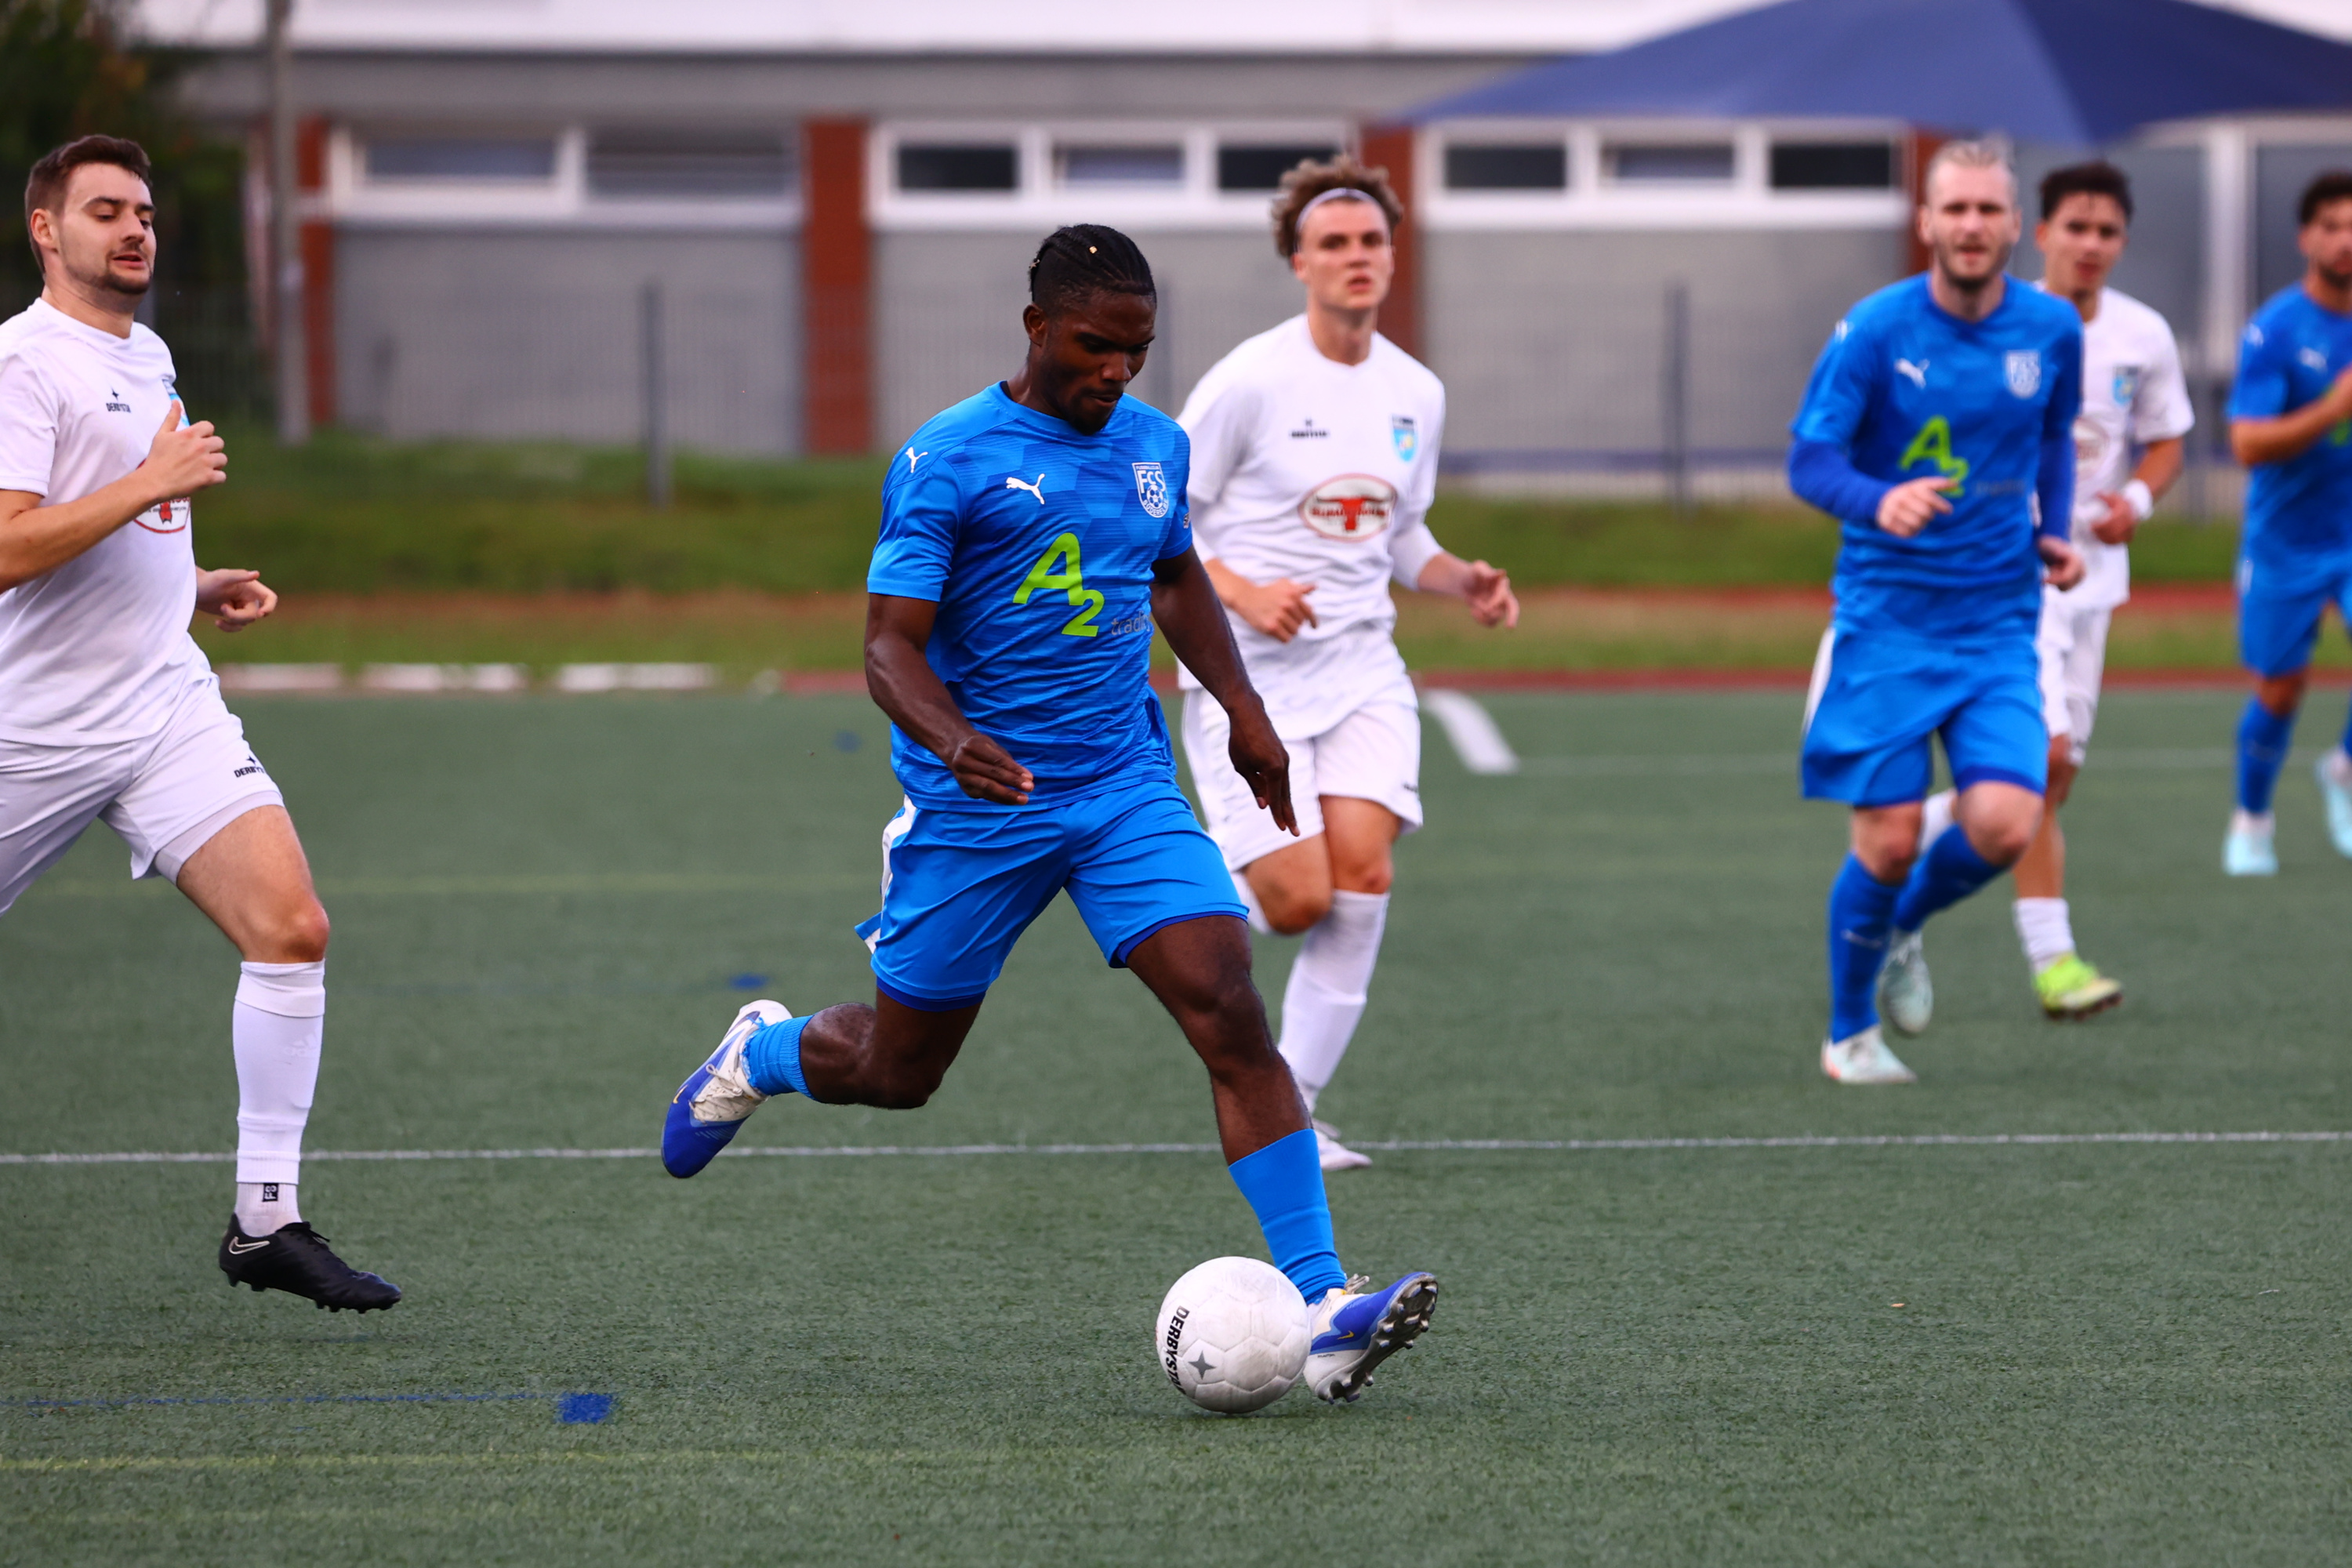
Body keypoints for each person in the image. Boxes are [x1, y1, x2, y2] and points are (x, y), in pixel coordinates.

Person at [657, 225, 1437, 1403]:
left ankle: (1326, 1303)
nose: (1117, 370)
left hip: (1122, 789)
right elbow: (886, 648)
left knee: (1229, 1002)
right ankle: (763, 1050)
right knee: (899, 1071)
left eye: (1137, 350)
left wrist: (1240, 707)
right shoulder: (948, 459)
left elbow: (1174, 573)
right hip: (977, 811)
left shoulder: (1155, 448)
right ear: (1035, 329)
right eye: (1095, 345)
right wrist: (957, 740)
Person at [0, 136, 397, 1310]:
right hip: (33, 728)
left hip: (162, 709)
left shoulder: (150, 350)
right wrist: (149, 480)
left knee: (292, 927)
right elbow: (11, 544)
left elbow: (126, 530)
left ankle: (264, 1220)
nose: (134, 230)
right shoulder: (23, 363)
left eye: (146, 213)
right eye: (106, 211)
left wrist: (193, 582)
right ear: (46, 230)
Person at [1174, 157, 1516, 1172]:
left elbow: (1403, 535)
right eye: (1333, 243)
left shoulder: (1417, 391)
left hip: (1365, 665)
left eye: (1371, 240)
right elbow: (1162, 521)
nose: (1356, 258)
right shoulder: (1248, 382)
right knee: (1296, 902)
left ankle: (1292, 1114)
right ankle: (1163, 909)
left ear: (1391, 255)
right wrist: (1241, 592)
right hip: (1247, 680)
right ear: (1297, 261)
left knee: (1363, 876)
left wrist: (1462, 579)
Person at [1786, 141, 2086, 1086]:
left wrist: (2057, 532)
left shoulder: (2051, 328)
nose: (1970, 226)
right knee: (1886, 836)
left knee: (2005, 819)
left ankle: (1906, 920)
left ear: (2012, 226)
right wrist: (1880, 499)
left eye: (1988, 211)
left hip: (2000, 619)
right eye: (1953, 209)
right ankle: (1848, 1033)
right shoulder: (1875, 331)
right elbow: (1808, 459)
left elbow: (2054, 445)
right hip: (1887, 620)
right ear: (1926, 221)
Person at [1918, 162, 2191, 1018]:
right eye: (2076, 226)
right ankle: (2054, 960)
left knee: (2055, 772)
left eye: (2107, 231)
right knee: (2039, 760)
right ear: (2041, 234)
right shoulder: (2007, 325)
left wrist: (2137, 501)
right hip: (2011, 576)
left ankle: (1904, 833)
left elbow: (2167, 439)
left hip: (2094, 580)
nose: (2091, 244)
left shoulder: (2145, 334)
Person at [2221, 169, 2352, 876]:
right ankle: (2252, 817)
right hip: (2287, 540)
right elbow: (2246, 444)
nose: (2346, 240)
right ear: (2307, 237)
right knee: (2282, 687)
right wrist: (2333, 408)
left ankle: (2344, 769)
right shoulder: (2277, 328)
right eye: (2332, 225)